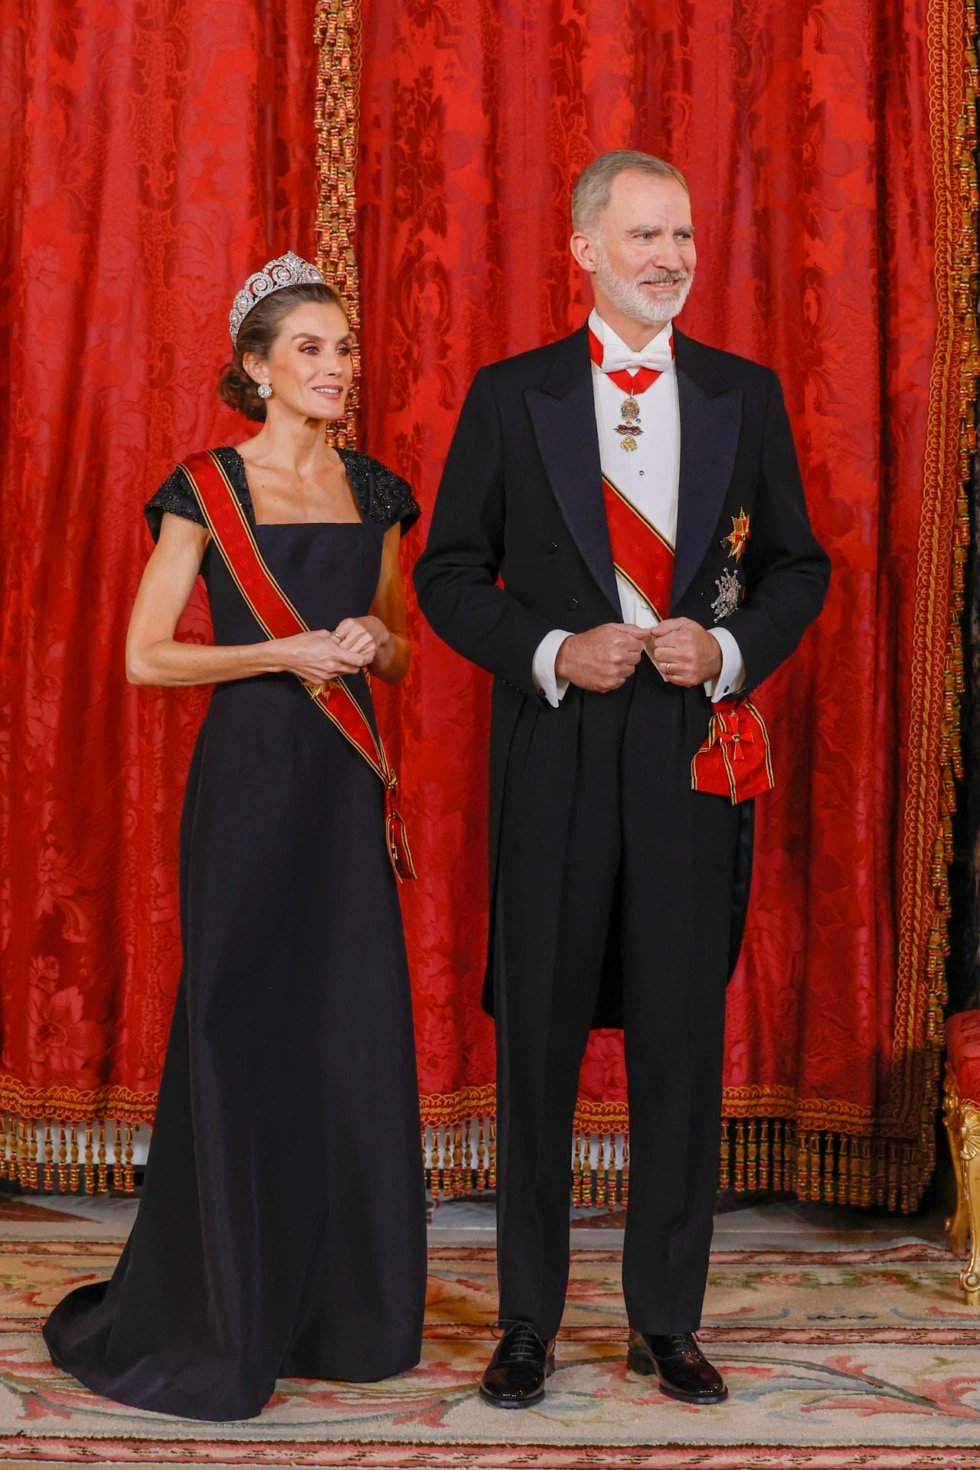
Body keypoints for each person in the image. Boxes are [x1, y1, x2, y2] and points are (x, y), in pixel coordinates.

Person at [414, 152, 830, 1409]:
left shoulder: (743, 395)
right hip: (555, 750)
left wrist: (730, 649)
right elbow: (446, 574)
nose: (669, 257)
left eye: (682, 236)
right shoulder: (511, 394)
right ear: (584, 248)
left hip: (685, 754)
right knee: (539, 1042)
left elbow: (797, 567)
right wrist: (549, 648)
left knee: (679, 1042)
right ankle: (526, 1322)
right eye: (644, 235)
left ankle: (665, 1321)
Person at [43, 253, 427, 1421]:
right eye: (308, 349)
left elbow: (400, 647)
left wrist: (368, 640)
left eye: (343, 348)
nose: (334, 367)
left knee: (346, 1028)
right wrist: (279, 652)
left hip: (344, 781)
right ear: (255, 369)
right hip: (252, 776)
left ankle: (342, 1312)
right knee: (242, 1018)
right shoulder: (204, 489)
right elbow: (144, 656)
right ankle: (226, 1301)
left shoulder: (378, 492)